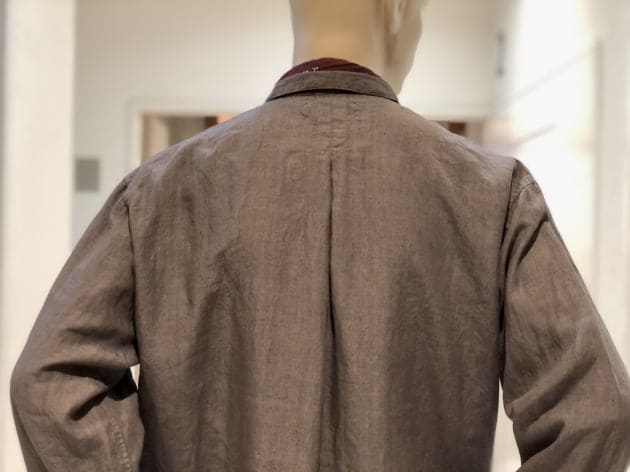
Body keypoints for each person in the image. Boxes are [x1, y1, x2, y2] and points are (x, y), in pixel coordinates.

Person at [10, 0, 630, 470]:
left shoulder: (161, 190)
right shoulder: (494, 193)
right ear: (399, 9)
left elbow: (50, 383)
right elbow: (593, 413)